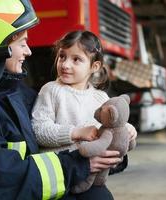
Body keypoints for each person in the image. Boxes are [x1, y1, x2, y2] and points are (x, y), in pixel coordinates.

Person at [0, 1, 123, 200]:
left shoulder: (14, 92)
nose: (28, 51)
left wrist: (111, 152)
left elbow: (59, 137)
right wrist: (79, 165)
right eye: (22, 44)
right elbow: (5, 182)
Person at [31, 30, 137, 197]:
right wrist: (76, 133)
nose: (65, 65)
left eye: (76, 59)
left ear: (94, 67)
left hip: (91, 177)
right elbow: (39, 130)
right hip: (60, 177)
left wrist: (128, 129)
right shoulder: (50, 90)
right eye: (62, 56)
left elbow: (113, 123)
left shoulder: (100, 97)